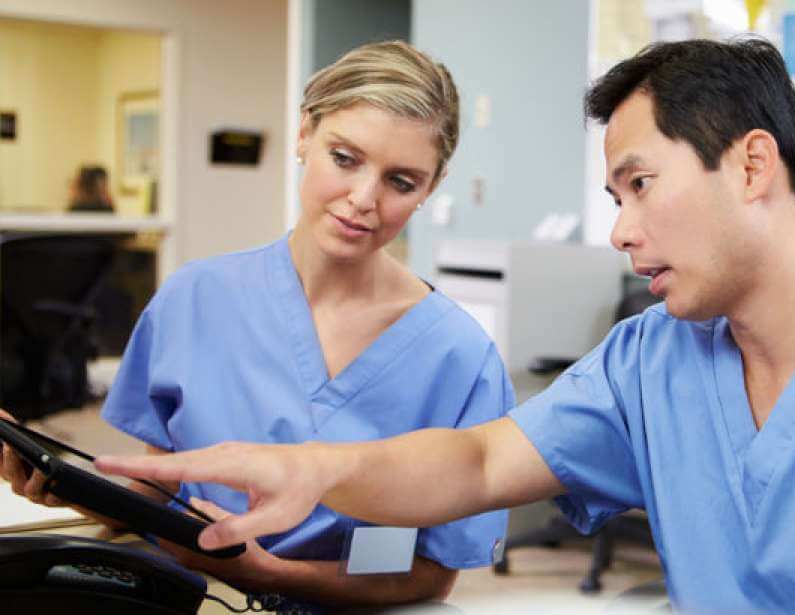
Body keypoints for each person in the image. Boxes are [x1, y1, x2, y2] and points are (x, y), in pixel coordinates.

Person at [96, 38, 795, 612]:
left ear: (751, 164)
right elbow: (472, 464)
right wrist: (321, 472)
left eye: (639, 185)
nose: (621, 230)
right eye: (614, 197)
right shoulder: (654, 359)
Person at [3, 40, 511, 610]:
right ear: (302, 135)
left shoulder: (460, 358)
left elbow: (430, 578)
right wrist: (63, 487)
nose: (363, 199)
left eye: (401, 181)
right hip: (190, 598)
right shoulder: (195, 298)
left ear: (431, 187)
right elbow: (157, 493)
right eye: (344, 158)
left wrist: (271, 573)